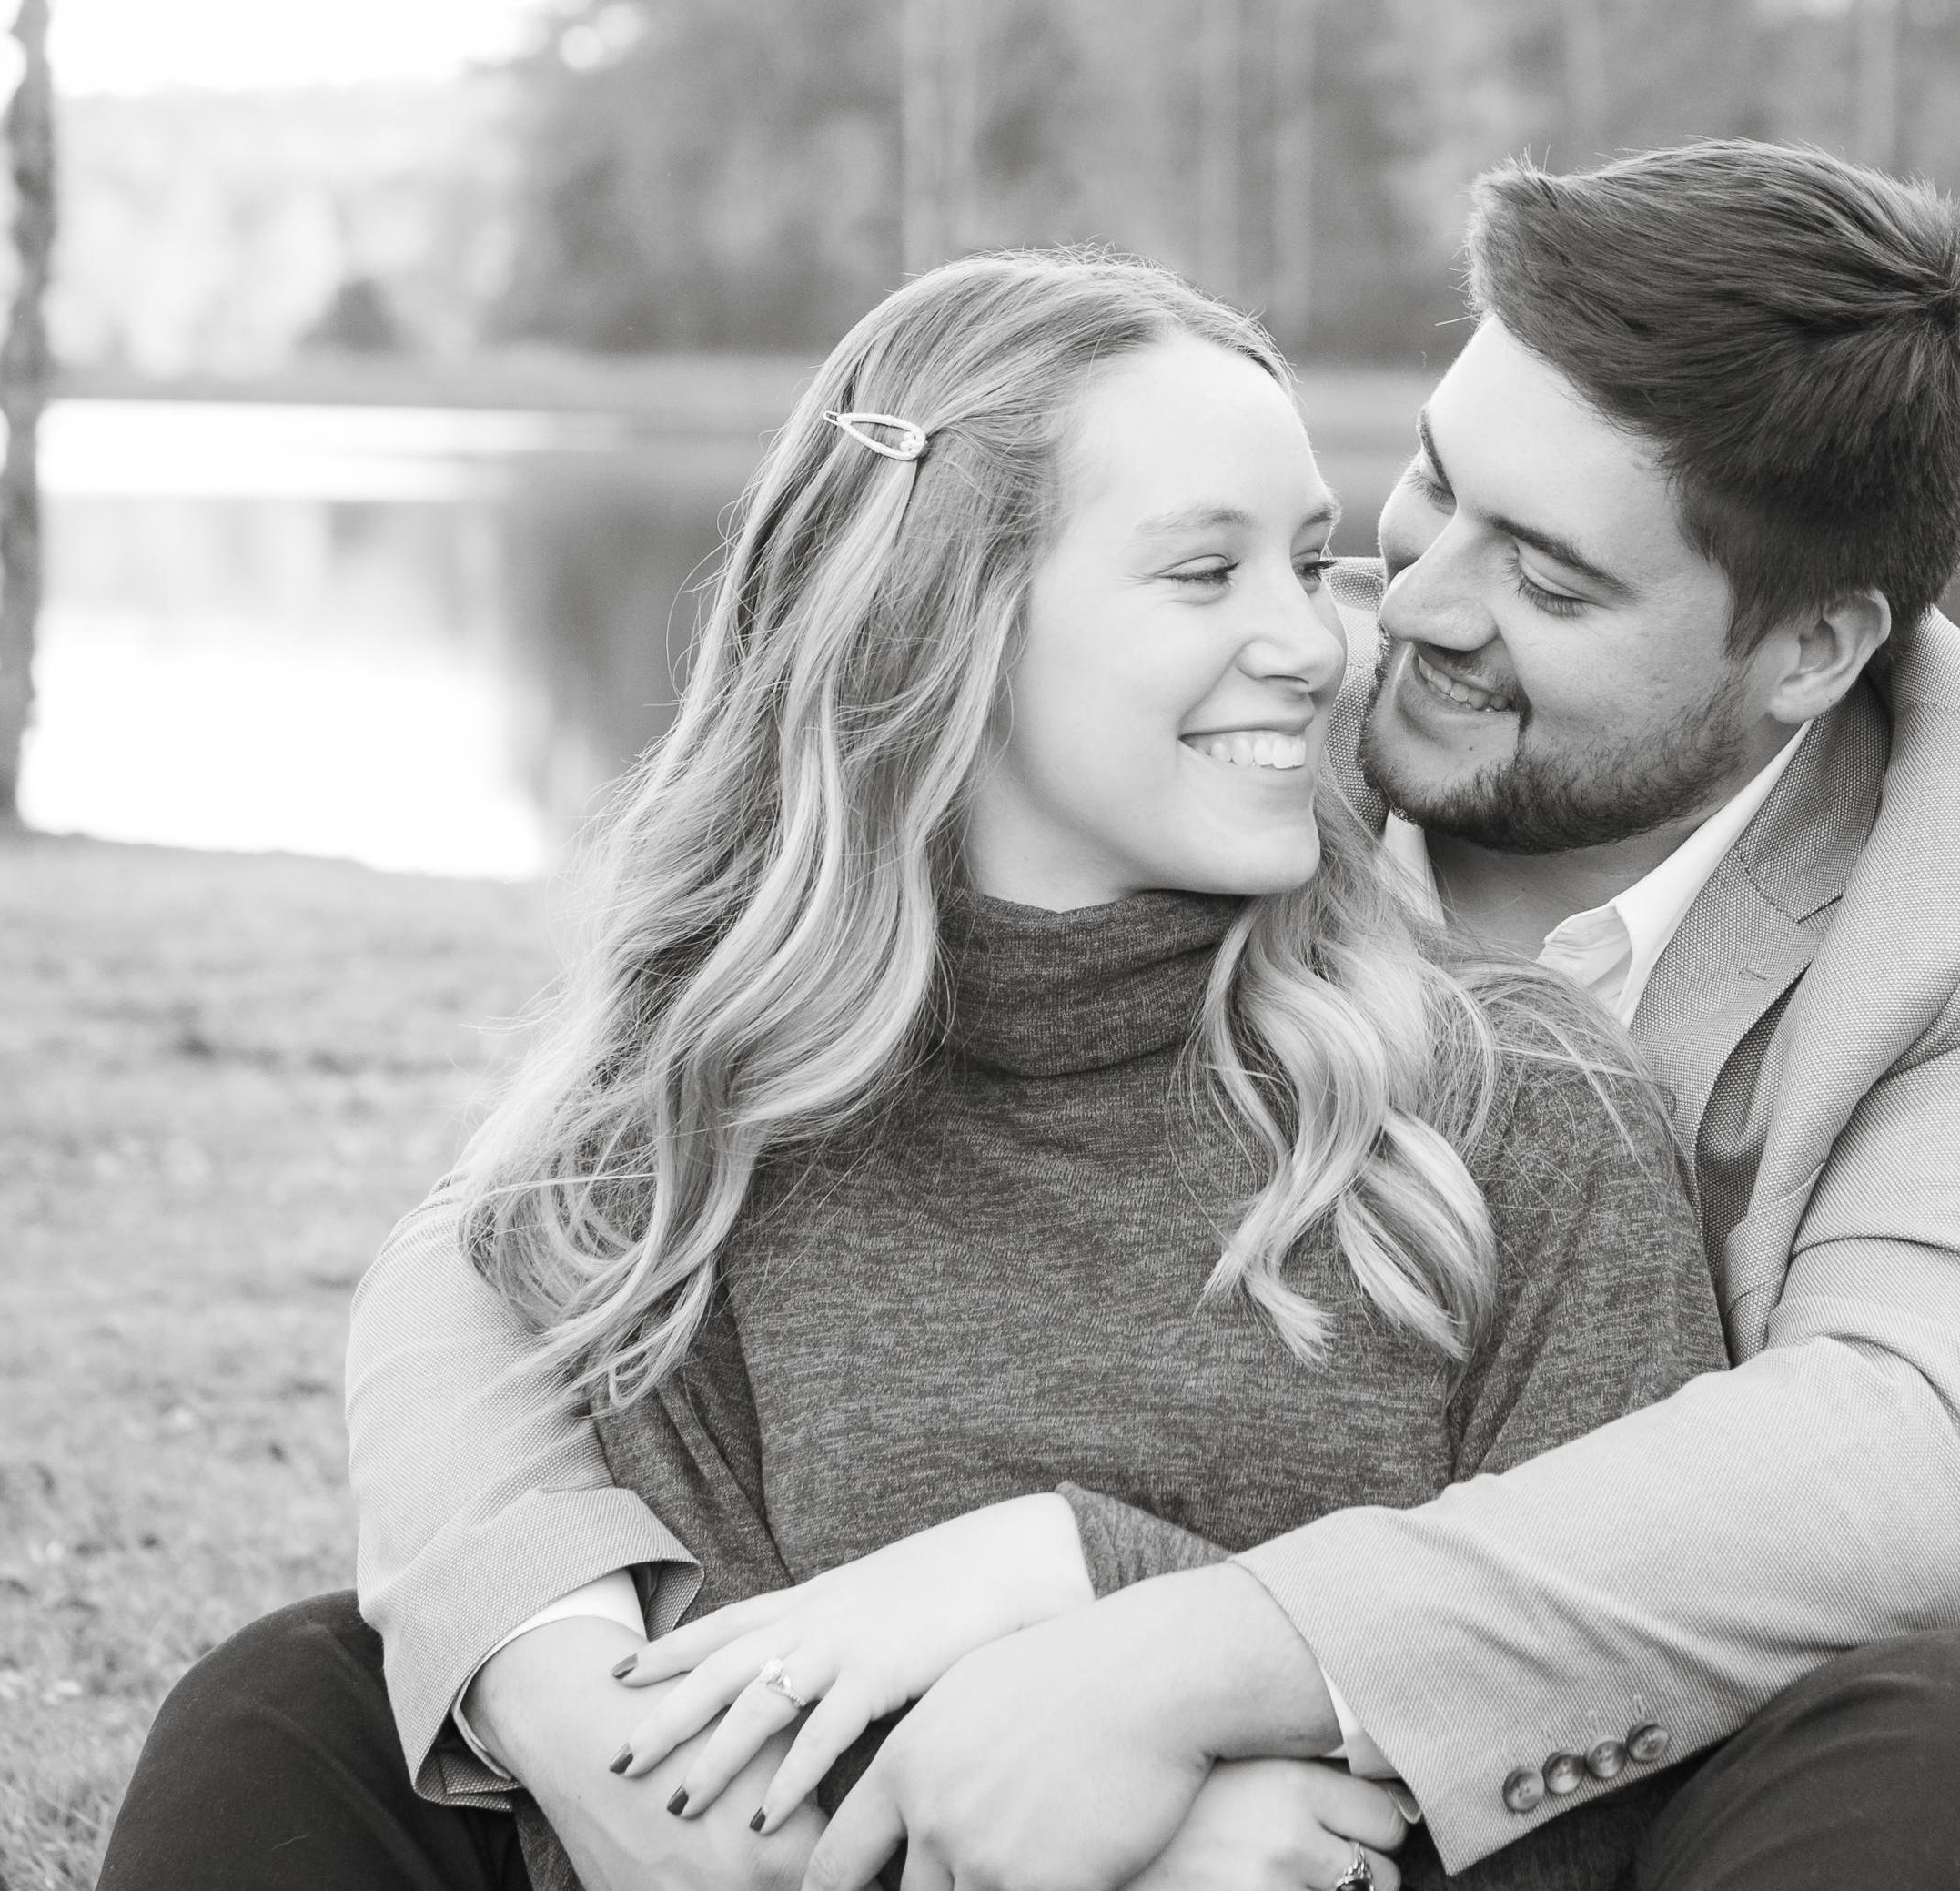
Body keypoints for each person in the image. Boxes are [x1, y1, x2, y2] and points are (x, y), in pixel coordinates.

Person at [317, 140, 1960, 1891]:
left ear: (1809, 651)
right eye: (1433, 485)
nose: (1399, 610)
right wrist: (559, 1682)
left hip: (1736, 1776)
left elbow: (1910, 1457)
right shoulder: (1223, 700)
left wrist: (1155, 1646)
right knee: (320, 1704)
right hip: (1009, 1781)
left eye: (1549, 575)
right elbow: (517, 1230)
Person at [96, 249, 1733, 1891]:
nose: (1313, 642)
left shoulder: (1511, 1109)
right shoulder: (708, 1136)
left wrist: (1102, 1605)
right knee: (275, 1719)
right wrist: (1160, 1831)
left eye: (1309, 562)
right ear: (953, 621)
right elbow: (698, 1800)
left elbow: (1604, 1777)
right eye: (1203, 572)